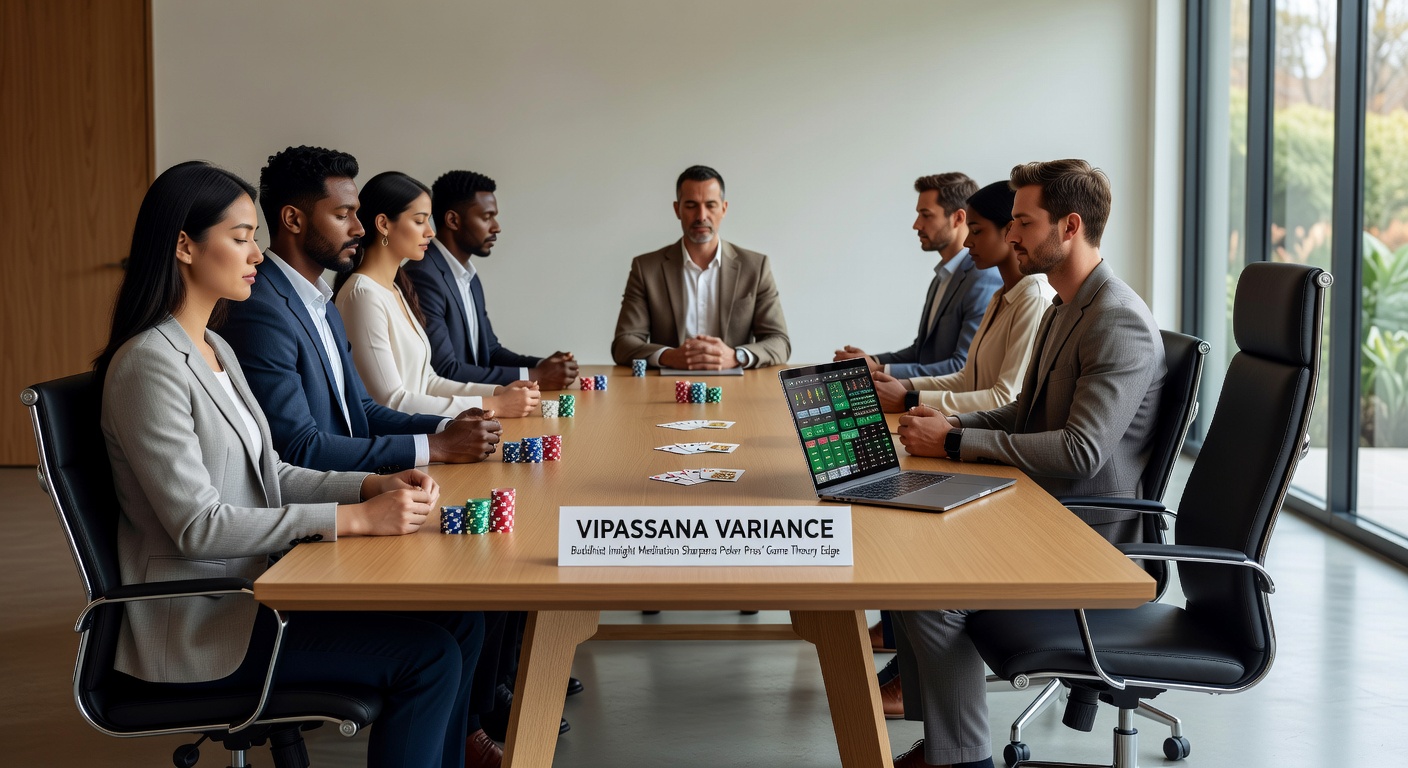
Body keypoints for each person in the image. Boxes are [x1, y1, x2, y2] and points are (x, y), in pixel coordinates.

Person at [95, 160, 490, 768]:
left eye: (254, 235)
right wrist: (355, 521)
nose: (257, 253)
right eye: (240, 237)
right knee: (429, 655)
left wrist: (369, 485)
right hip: (207, 624)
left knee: (460, 619)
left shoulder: (216, 347)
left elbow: (270, 474)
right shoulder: (149, 364)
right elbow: (198, 526)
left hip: (262, 587)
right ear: (184, 246)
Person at [889, 159, 1165, 768]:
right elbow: (1023, 412)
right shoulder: (1066, 306)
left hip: (1090, 536)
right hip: (1047, 511)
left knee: (930, 592)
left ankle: (959, 758)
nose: (1011, 237)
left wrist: (957, 446)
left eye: (1023, 222)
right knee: (911, 542)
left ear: (1069, 226)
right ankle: (946, 745)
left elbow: (1079, 451)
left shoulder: (1117, 320)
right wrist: (951, 427)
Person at [221, 146, 501, 474]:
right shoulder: (260, 309)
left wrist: (445, 427)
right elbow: (299, 448)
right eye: (343, 215)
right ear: (293, 220)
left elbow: (363, 410)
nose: (359, 228)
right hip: (330, 510)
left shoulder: (321, 302)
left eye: (356, 213)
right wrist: (435, 447)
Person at [334, 171, 541, 418]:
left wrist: (497, 392)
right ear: (383, 224)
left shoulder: (397, 288)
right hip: (400, 449)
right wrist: (494, 405)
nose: (430, 232)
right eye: (420, 221)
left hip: (422, 434)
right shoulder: (363, 295)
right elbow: (390, 402)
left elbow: (428, 381)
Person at [872, 181, 1055, 415]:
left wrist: (910, 399)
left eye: (977, 231)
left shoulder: (1034, 298)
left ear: (1009, 231)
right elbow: (967, 379)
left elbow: (1005, 398)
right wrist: (904, 386)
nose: (967, 242)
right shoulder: (1001, 296)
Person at [405, 170, 578, 390]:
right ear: (452, 220)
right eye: (487, 217)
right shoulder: (423, 275)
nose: (496, 227)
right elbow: (445, 370)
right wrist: (536, 375)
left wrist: (543, 365)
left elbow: (490, 351)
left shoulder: (468, 276)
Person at [611, 165, 790, 369]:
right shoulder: (646, 269)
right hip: (666, 388)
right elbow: (624, 344)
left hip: (737, 388)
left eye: (710, 205)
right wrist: (669, 356)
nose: (701, 215)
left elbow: (779, 342)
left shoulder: (755, 267)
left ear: (724, 208)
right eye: (691, 205)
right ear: (677, 209)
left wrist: (736, 357)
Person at [834, 173, 1001, 378]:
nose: (916, 225)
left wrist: (878, 370)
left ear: (958, 217)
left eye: (926, 214)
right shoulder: (941, 277)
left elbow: (962, 367)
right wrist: (869, 361)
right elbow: (921, 352)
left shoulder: (982, 279)